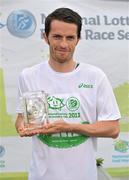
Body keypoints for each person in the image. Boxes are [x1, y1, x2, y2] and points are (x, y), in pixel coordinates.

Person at [15, 7, 121, 180]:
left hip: (83, 175)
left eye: (70, 37)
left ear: (78, 39)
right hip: (41, 176)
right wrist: (21, 127)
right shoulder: (28, 76)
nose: (63, 44)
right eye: (57, 36)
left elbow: (113, 128)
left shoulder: (95, 76)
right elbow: (22, 118)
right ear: (45, 37)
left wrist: (70, 127)